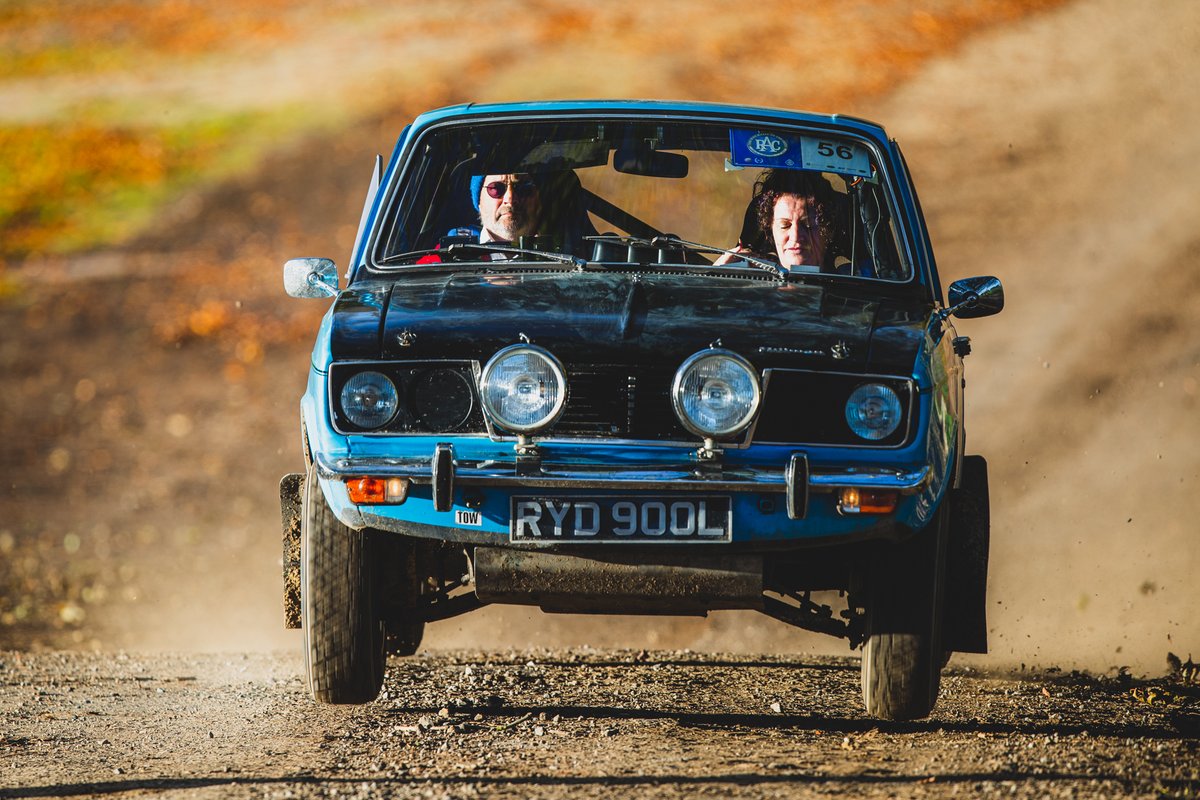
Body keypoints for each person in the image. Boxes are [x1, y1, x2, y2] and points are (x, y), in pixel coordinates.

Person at [715, 169, 838, 272]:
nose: (795, 236)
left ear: (828, 229)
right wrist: (714, 278)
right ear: (771, 231)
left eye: (808, 224)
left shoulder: (853, 290)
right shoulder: (748, 291)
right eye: (784, 225)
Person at [471, 173, 544, 244]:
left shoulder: (554, 251)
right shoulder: (462, 251)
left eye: (523, 188)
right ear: (479, 202)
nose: (510, 199)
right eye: (496, 188)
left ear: (537, 200)